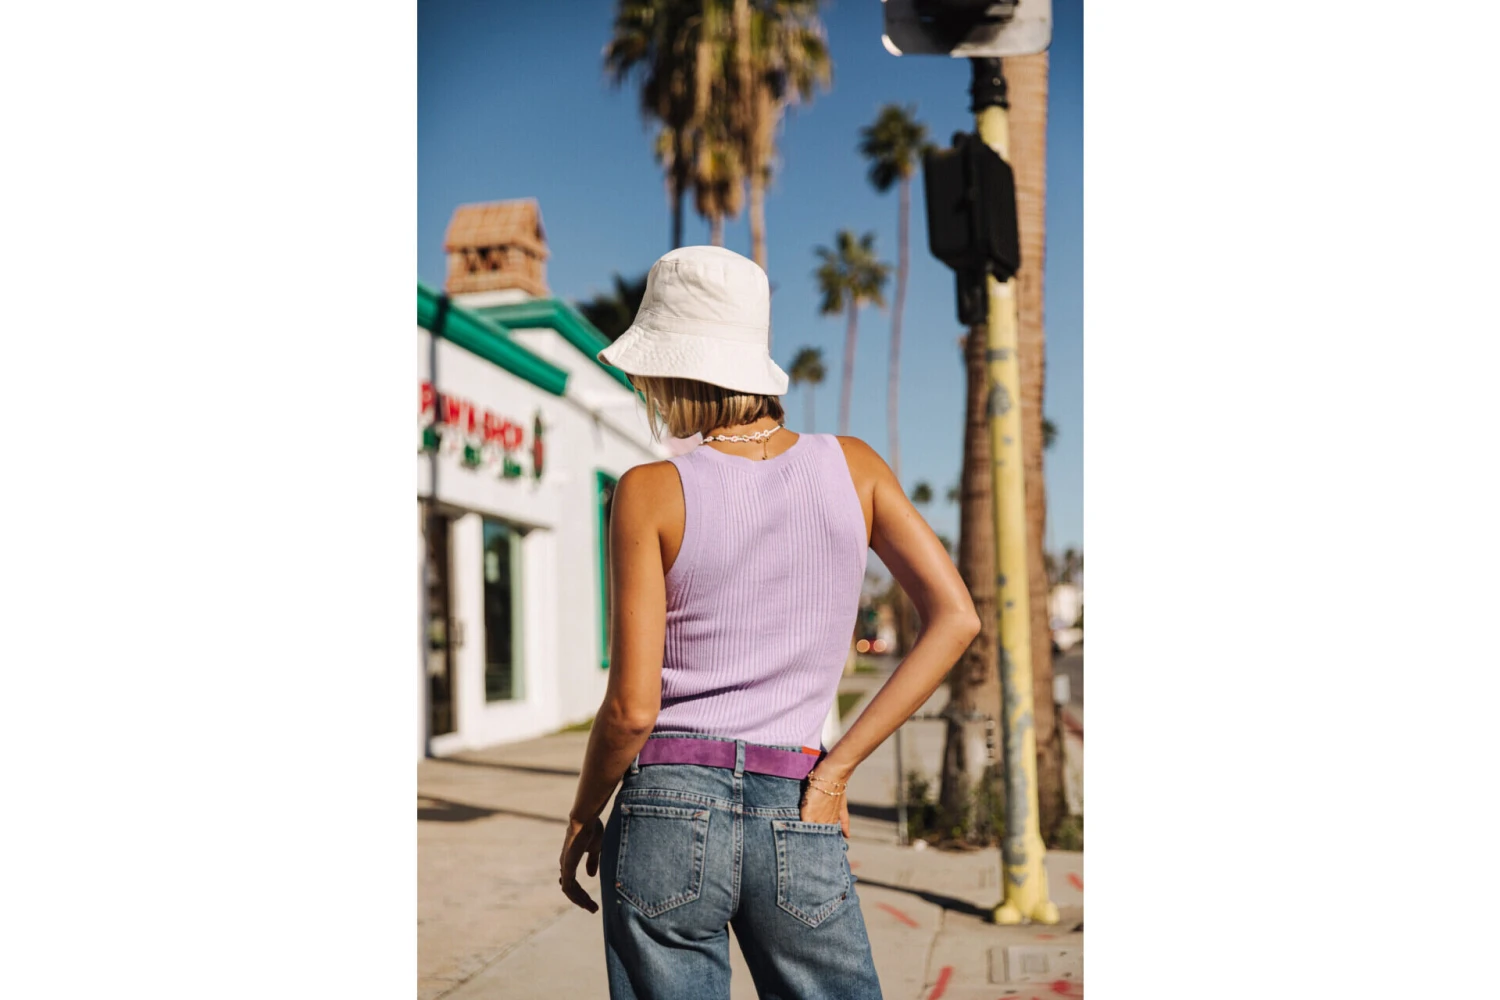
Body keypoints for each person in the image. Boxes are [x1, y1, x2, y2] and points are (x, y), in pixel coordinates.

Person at [559, 245, 980, 1000]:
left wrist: (583, 813)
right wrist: (838, 771)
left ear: (674, 370)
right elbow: (956, 618)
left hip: (667, 800)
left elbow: (631, 709)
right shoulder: (855, 467)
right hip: (799, 797)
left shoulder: (650, 490)